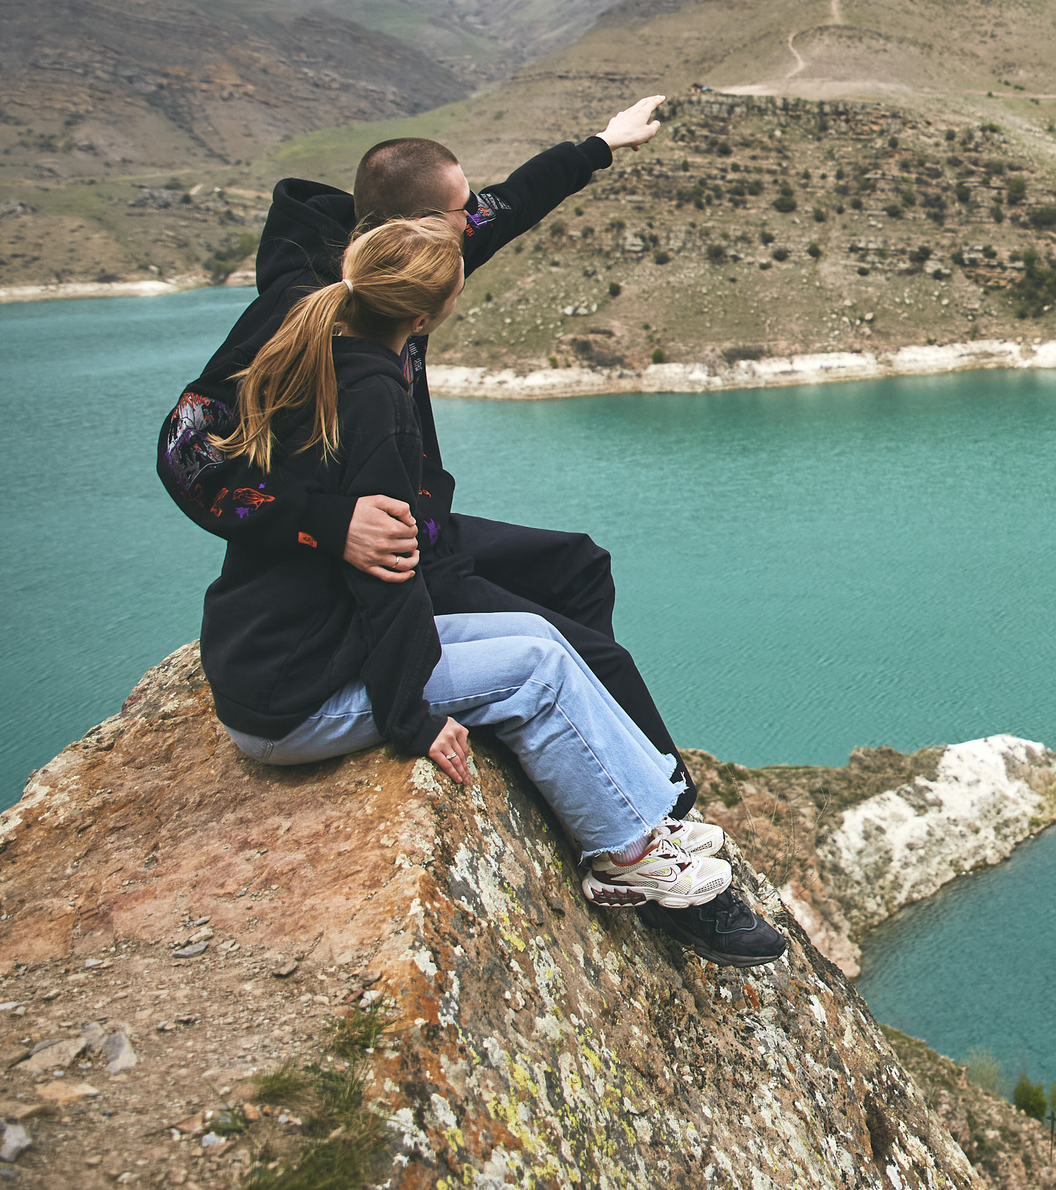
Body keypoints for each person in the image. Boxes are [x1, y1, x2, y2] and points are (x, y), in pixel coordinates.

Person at [200, 217, 784, 966]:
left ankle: (646, 816)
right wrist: (409, 714)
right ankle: (626, 856)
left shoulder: (309, 345)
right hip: (296, 699)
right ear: (423, 318)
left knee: (546, 637)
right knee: (534, 671)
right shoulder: (377, 399)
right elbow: (387, 574)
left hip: (286, 649)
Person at [156, 96, 697, 810]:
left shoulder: (399, 262)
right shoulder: (305, 307)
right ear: (411, 227)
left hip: (423, 522)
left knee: (579, 565)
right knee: (593, 657)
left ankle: (566, 740)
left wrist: (599, 145)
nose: (470, 219)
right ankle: (672, 814)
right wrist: (324, 519)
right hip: (388, 546)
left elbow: (506, 207)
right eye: (457, 210)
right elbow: (184, 449)